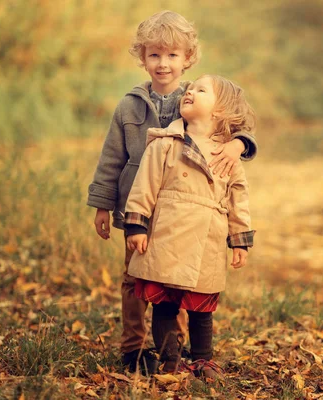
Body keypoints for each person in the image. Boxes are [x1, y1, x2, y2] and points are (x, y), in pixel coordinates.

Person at [86, 11, 258, 372]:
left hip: (183, 216)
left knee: (178, 279)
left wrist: (238, 144)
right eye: (154, 55)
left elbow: (238, 122)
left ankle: (173, 353)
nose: (163, 63)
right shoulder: (130, 106)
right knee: (134, 279)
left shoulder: (198, 98)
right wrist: (103, 204)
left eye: (172, 55)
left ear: (187, 58)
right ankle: (133, 350)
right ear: (143, 58)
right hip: (138, 209)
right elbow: (111, 158)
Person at [124, 74, 255, 380]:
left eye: (201, 90)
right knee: (165, 301)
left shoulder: (228, 153)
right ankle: (170, 357)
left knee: (202, 306)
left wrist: (239, 240)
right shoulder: (165, 143)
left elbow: (238, 198)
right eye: (190, 87)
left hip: (207, 236)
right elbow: (144, 186)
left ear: (220, 111)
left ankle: (202, 359)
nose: (189, 91)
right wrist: (137, 226)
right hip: (167, 234)